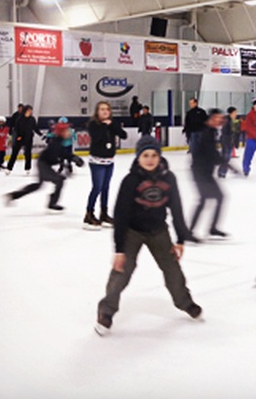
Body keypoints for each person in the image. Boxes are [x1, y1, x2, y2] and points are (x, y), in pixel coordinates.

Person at [95, 136, 202, 336]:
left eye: (154, 155)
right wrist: (119, 250)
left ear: (160, 157)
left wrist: (180, 239)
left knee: (172, 269)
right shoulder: (131, 181)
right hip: (132, 232)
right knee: (122, 272)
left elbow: (176, 208)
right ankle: (106, 310)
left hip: (158, 231)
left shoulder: (168, 178)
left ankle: (185, 302)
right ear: (138, 157)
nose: (150, 159)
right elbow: (120, 215)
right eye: (145, 155)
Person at [5, 122, 83, 211]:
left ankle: (14, 195)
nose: (69, 132)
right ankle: (52, 203)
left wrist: (73, 158)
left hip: (43, 163)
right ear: (61, 132)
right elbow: (55, 157)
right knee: (59, 181)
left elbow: (61, 154)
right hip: (43, 164)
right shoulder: (57, 142)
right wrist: (66, 164)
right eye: (66, 130)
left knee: (39, 185)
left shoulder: (59, 140)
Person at [84, 102, 128, 230]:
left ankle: (104, 213)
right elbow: (97, 138)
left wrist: (112, 125)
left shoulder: (112, 123)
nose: (105, 112)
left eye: (107, 109)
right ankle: (89, 213)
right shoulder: (93, 124)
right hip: (97, 161)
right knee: (97, 187)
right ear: (97, 111)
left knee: (106, 188)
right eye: (102, 109)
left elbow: (123, 135)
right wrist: (104, 126)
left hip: (109, 161)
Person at [190, 109, 227, 240]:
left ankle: (211, 228)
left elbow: (212, 153)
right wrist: (225, 163)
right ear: (212, 118)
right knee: (205, 200)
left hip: (205, 172)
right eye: (219, 118)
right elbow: (211, 153)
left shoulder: (211, 131)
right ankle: (190, 231)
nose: (221, 120)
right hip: (200, 172)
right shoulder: (206, 133)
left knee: (215, 198)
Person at [6, 105, 42, 175]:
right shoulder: (20, 119)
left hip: (28, 138)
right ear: (25, 111)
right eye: (29, 110)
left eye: (31, 110)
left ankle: (27, 168)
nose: (30, 112)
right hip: (20, 138)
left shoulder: (32, 119)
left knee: (28, 153)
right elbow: (17, 128)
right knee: (14, 153)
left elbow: (35, 128)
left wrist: (41, 134)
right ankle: (9, 168)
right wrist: (18, 136)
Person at [218, 107, 236, 179]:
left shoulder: (231, 120)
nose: (236, 114)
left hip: (229, 142)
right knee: (226, 157)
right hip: (226, 142)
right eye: (235, 112)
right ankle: (222, 172)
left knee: (227, 158)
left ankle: (222, 171)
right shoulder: (227, 121)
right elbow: (226, 133)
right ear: (231, 113)